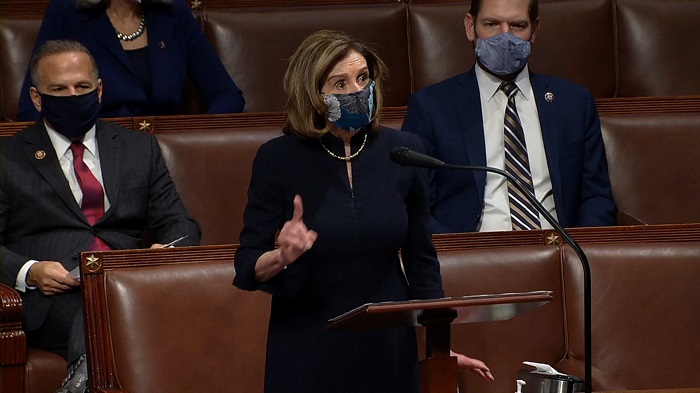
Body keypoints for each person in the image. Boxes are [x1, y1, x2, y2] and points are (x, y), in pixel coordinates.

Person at [233, 30, 493, 393]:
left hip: (387, 348)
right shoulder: (278, 160)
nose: (357, 91)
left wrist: (439, 349)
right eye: (340, 83)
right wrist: (281, 257)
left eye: (363, 78)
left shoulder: (403, 151)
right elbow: (246, 265)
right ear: (314, 93)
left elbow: (422, 262)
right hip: (308, 347)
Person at [0, 39, 201, 393]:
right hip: (54, 295)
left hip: (130, 282)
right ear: (36, 98)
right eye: (58, 90)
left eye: (82, 87)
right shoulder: (7, 157)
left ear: (100, 90)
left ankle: (83, 382)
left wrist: (163, 254)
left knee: (123, 300)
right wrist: (31, 271)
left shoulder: (139, 148)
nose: (72, 96)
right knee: (101, 306)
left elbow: (180, 224)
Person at [401, 0, 616, 234]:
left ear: (534, 31)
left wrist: (580, 255)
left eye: (517, 25)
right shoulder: (431, 107)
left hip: (559, 251)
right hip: (472, 257)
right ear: (470, 27)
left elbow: (596, 197)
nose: (505, 36)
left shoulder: (574, 103)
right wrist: (459, 257)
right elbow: (414, 206)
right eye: (492, 24)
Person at [17, 0, 244, 121]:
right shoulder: (67, 10)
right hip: (94, 149)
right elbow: (32, 106)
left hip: (165, 154)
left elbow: (227, 95)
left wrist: (190, 135)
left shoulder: (172, 11)